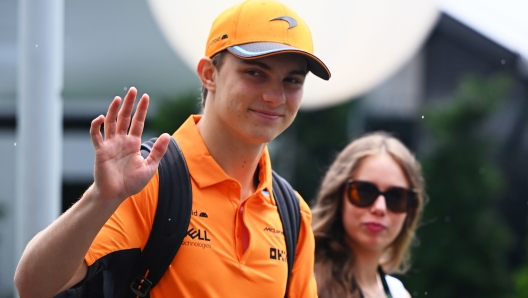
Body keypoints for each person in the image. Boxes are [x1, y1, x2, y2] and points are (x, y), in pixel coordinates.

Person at [14, 0, 331, 297]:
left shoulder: (293, 212)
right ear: (209, 74)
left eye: (292, 80)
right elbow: (33, 287)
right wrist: (100, 198)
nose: (275, 96)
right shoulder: (148, 180)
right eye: (255, 73)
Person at [311, 132, 426, 298]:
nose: (380, 208)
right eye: (364, 192)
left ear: (410, 211)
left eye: (396, 197)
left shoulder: (398, 293)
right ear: (338, 196)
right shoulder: (304, 279)